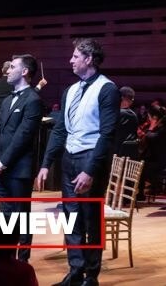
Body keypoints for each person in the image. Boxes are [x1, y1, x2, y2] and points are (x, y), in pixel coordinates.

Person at [36, 38, 120, 286]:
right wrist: (45, 163)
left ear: (89, 59)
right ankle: (75, 272)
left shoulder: (107, 89)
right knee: (70, 217)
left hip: (90, 157)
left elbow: (107, 134)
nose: (70, 60)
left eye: (75, 56)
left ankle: (91, 276)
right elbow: (60, 130)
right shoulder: (70, 90)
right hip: (70, 157)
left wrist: (91, 170)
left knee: (90, 218)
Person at [0, 54, 44, 262]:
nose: (8, 71)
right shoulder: (8, 99)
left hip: (18, 169)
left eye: (12, 67)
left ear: (25, 71)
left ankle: (22, 261)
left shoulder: (33, 100)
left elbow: (24, 135)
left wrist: (3, 162)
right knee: (6, 216)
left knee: (22, 216)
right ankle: (6, 256)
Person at [117, 86, 140, 157]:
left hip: (118, 154)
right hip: (128, 153)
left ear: (121, 98)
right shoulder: (132, 114)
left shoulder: (121, 113)